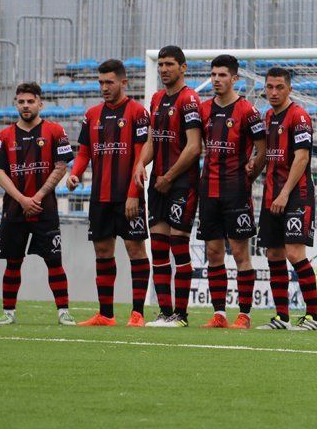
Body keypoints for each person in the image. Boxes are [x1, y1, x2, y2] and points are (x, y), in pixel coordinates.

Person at [67, 59, 151, 327]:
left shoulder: (138, 112)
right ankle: (106, 314)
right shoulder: (92, 115)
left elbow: (140, 157)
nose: (104, 87)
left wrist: (133, 194)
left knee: (135, 248)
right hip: (99, 197)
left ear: (123, 82)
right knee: (103, 251)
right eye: (101, 82)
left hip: (128, 195)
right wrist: (75, 174)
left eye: (109, 82)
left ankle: (137, 313)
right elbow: (84, 153)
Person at [0, 82, 74, 325]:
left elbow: (61, 166)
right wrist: (22, 199)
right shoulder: (4, 136)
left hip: (44, 210)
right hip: (15, 210)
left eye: (30, 101)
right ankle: (8, 313)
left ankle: (63, 312)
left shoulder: (56, 131)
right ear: (15, 104)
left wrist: (36, 197)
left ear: (40, 104)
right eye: (21, 101)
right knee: (13, 262)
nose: (25, 106)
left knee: (54, 261)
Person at [134, 45, 202, 328]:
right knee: (158, 249)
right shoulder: (157, 98)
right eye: (160, 64)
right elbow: (152, 140)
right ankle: (164, 312)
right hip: (159, 183)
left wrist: (169, 177)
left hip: (181, 183)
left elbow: (194, 147)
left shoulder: (189, 100)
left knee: (178, 246)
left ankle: (181, 316)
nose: (163, 69)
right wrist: (140, 163)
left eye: (169, 64)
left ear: (183, 67)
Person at [196, 54, 267, 329]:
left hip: (236, 191)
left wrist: (253, 171)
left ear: (234, 78)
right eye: (213, 75)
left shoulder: (248, 111)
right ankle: (219, 314)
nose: (216, 80)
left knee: (240, 254)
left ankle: (245, 315)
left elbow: (262, 148)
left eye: (222, 75)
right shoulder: (203, 110)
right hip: (209, 190)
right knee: (213, 253)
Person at [252, 67, 317, 331]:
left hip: (296, 196)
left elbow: (301, 158)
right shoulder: (268, 116)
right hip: (272, 196)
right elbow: (266, 153)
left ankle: (314, 316)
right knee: (274, 254)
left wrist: (284, 193)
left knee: (294, 253)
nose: (273, 92)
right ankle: (282, 317)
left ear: (289, 89)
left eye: (279, 87)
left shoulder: (299, 116)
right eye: (269, 87)